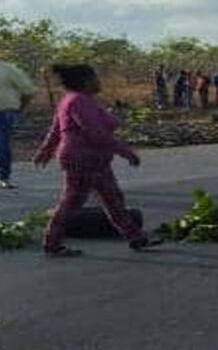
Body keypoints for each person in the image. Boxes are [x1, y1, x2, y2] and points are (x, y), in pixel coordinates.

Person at [33, 64, 162, 257]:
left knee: (113, 200)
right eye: (96, 78)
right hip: (83, 159)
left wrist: (46, 150)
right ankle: (52, 243)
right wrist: (125, 151)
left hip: (95, 160)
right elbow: (96, 133)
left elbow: (56, 131)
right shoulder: (79, 102)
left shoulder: (76, 100)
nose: (99, 81)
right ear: (85, 81)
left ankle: (136, 237)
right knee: (72, 202)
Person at [0, 60, 36, 189]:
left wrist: (19, 108)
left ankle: (4, 177)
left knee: (2, 144)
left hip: (4, 113)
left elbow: (28, 91)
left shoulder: (8, 69)